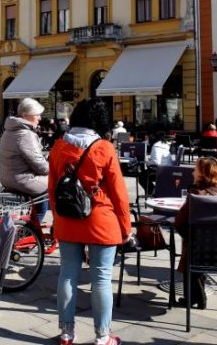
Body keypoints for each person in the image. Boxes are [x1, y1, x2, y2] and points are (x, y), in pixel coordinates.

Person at [48, 98, 130, 345]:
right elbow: (119, 193)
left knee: (68, 274)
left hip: (67, 219)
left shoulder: (58, 147)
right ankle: (103, 336)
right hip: (101, 220)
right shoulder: (104, 148)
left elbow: (52, 189)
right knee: (101, 278)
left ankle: (66, 333)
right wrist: (126, 228)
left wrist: (57, 219)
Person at [174, 156, 217, 309]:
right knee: (195, 240)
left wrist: (188, 236)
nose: (192, 172)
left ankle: (196, 297)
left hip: (202, 248)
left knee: (191, 243)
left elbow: (179, 222)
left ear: (204, 174)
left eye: (195, 169)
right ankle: (194, 297)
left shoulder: (197, 193)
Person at [0, 97, 49, 200]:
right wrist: (55, 168)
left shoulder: (9, 129)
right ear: (25, 115)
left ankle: (34, 214)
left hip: (7, 179)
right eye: (37, 115)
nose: (39, 118)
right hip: (23, 181)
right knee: (57, 181)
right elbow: (40, 166)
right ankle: (38, 215)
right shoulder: (26, 134)